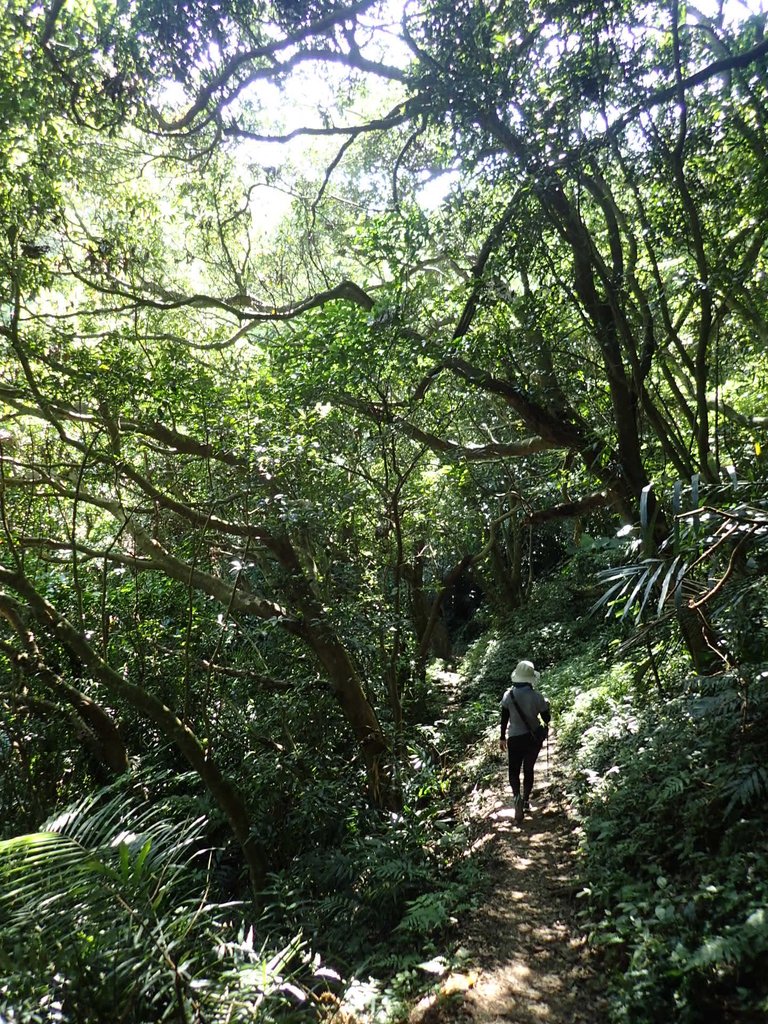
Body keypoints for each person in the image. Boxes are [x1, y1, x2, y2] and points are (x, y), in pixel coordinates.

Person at [499, 659, 551, 823]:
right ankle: (527, 801)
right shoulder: (537, 697)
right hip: (532, 738)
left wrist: (502, 737)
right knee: (528, 769)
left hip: (514, 737)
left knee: (513, 771)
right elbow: (546, 719)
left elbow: (504, 718)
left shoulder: (508, 695)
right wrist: (547, 706)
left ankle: (517, 798)